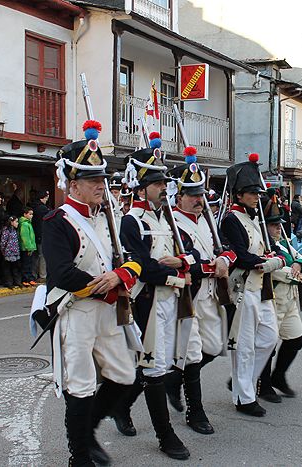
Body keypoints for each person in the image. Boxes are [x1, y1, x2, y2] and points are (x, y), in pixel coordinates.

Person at [42, 121, 142, 466]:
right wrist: (111, 285)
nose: (102, 186)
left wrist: (121, 275)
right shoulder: (57, 221)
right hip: (78, 313)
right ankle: (80, 455)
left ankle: (90, 431)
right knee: (80, 387)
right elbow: (62, 274)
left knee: (125, 376)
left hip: (108, 311)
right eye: (93, 181)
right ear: (73, 185)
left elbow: (130, 262)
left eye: (103, 180)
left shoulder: (108, 217)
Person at [116, 137, 192, 459]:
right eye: (156, 182)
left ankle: (120, 406)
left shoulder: (167, 218)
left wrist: (183, 263)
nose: (164, 187)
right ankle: (166, 435)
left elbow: (186, 254)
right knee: (155, 367)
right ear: (141, 187)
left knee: (158, 363)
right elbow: (144, 267)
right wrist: (176, 274)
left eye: (163, 181)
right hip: (148, 301)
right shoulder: (131, 221)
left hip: (172, 300)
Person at [165, 155, 235, 434]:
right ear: (179, 196)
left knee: (215, 345)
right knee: (193, 354)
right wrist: (212, 264)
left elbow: (226, 249)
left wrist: (225, 260)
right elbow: (187, 259)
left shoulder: (206, 221)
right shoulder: (173, 223)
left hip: (210, 295)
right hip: (187, 296)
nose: (198, 199)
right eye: (192, 194)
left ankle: (174, 378)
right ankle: (196, 412)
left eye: (201, 193)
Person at [220, 153, 283, 417]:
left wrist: (274, 259)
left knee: (269, 337)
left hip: (261, 287)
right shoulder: (231, 220)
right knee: (244, 346)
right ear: (238, 195)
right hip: (243, 288)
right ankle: (244, 397)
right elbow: (242, 256)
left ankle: (242, 381)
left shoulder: (253, 219)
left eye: (256, 192)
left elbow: (264, 250)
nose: (257, 197)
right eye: (251, 193)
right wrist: (269, 263)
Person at [258, 195, 302, 402]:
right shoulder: (263, 247)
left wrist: (298, 265)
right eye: (274, 225)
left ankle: (278, 376)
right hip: (272, 299)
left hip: (290, 301)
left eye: (279, 225)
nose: (279, 228)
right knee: (267, 345)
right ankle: (264, 385)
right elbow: (275, 272)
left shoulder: (283, 245)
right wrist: (293, 273)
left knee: (296, 339)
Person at [31, 190, 50, 282]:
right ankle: (43, 275)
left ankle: (34, 274)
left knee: (35, 256)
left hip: (34, 234)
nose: (47, 199)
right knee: (42, 255)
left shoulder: (34, 207)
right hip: (41, 234)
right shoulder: (42, 209)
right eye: (46, 198)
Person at [0, 216, 23, 288]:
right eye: (16, 221)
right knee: (7, 268)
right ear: (11, 222)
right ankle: (8, 282)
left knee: (15, 268)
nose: (17, 223)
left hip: (15, 252)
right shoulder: (6, 230)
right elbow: (3, 242)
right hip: (8, 252)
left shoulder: (15, 230)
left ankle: (16, 281)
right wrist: (4, 251)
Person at [18, 206, 37, 286]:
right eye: (30, 214)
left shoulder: (27, 223)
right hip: (26, 248)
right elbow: (25, 237)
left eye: (32, 214)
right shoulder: (25, 224)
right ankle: (26, 279)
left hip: (29, 247)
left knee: (29, 263)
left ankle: (29, 278)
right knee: (26, 264)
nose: (31, 216)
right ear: (25, 214)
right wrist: (29, 247)